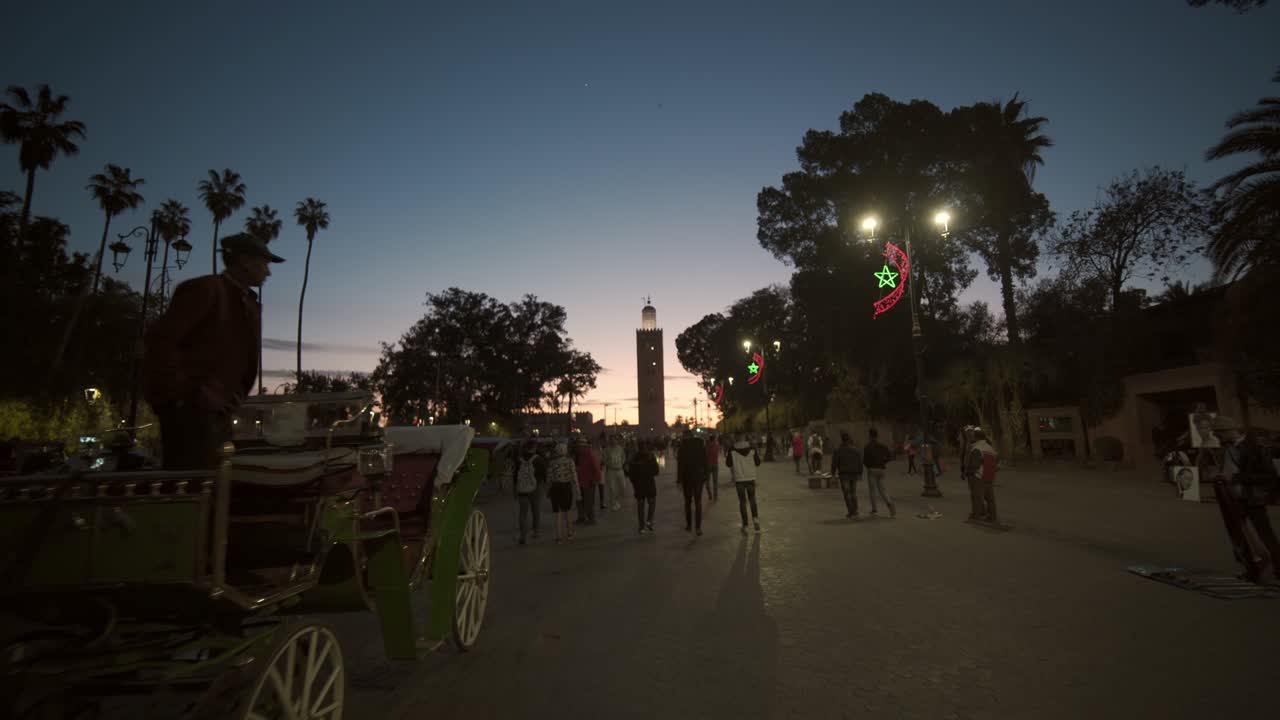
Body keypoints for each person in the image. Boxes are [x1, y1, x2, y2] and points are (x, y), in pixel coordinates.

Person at [144, 233, 284, 470]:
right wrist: (183, 394)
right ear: (245, 261)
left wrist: (233, 396)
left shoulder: (245, 300)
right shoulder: (205, 289)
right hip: (192, 407)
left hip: (219, 407)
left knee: (214, 479)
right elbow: (162, 340)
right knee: (192, 480)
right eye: (264, 264)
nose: (268, 272)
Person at [1210, 415, 1279, 583]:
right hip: (1232, 498)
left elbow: (1268, 475)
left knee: (1264, 535)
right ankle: (1253, 570)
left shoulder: (1255, 447)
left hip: (1253, 497)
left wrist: (1234, 477)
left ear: (1227, 431)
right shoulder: (1227, 448)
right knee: (1242, 537)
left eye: (1219, 435)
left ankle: (1278, 570)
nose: (1217, 438)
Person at [726, 431, 762, 533]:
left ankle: (745, 525)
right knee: (752, 499)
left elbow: (728, 464)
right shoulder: (752, 449)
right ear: (744, 438)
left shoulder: (732, 450)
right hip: (750, 477)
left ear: (736, 438)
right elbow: (758, 463)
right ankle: (755, 519)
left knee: (742, 502)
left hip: (739, 479)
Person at [513, 443, 547, 545]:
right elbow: (544, 474)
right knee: (535, 511)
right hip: (536, 488)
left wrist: (515, 489)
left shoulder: (519, 460)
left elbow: (515, 475)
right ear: (534, 448)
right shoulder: (539, 459)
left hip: (522, 489)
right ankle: (536, 531)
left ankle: (523, 535)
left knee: (523, 513)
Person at [677, 430, 708, 535]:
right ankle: (698, 528)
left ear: (686, 436)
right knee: (698, 502)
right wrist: (706, 476)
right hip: (698, 477)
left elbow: (680, 465)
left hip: (687, 478)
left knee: (688, 502)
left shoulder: (682, 447)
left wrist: (679, 480)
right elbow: (705, 461)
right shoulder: (700, 445)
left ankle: (689, 525)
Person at [964, 428, 999, 524]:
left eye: (972, 436)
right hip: (989, 476)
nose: (971, 438)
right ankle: (992, 517)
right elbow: (996, 462)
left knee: (977, 497)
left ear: (976, 438)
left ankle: (976, 516)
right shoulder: (990, 448)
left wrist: (968, 473)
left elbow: (974, 465)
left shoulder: (977, 448)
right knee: (990, 499)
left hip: (978, 476)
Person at [546, 443, 580, 543]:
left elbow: (549, 478)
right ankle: (569, 533)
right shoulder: (570, 461)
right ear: (565, 451)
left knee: (557, 513)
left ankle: (558, 537)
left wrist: (548, 490)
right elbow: (574, 477)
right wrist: (578, 492)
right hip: (566, 487)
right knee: (568, 511)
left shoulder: (552, 462)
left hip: (555, 488)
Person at [628, 440, 661, 534]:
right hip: (649, 483)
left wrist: (634, 482)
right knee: (652, 502)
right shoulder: (651, 456)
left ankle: (641, 526)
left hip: (638, 485)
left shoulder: (634, 458)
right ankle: (649, 521)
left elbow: (630, 473)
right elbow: (656, 471)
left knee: (641, 505)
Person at [863, 428, 896, 518]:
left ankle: (874, 510)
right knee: (883, 490)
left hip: (872, 469)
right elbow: (890, 456)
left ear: (869, 436)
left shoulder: (867, 447)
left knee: (872, 491)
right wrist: (883, 462)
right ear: (877, 436)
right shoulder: (882, 446)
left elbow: (865, 460)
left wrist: (869, 466)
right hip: (881, 469)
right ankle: (889, 503)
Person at [830, 431, 864, 519]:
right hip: (854, 474)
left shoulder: (838, 451)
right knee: (853, 492)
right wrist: (860, 473)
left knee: (847, 493)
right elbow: (860, 462)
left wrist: (833, 474)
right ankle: (855, 511)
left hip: (844, 474)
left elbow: (834, 463)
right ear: (849, 439)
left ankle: (851, 512)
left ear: (842, 440)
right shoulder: (856, 450)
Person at [574, 440, 602, 525]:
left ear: (584, 447)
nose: (577, 448)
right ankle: (581, 517)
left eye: (579, 447)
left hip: (589, 482)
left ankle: (591, 519)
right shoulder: (580, 456)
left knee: (588, 502)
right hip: (580, 482)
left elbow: (597, 470)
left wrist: (595, 480)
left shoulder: (591, 456)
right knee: (579, 501)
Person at [602, 434, 627, 512]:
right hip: (611, 471)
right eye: (611, 439)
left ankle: (617, 500)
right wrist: (609, 464)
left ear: (617, 440)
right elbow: (604, 460)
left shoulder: (620, 449)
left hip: (619, 470)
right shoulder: (606, 450)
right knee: (612, 488)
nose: (613, 441)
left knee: (622, 487)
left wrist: (621, 464)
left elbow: (623, 457)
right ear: (609, 440)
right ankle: (614, 503)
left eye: (615, 439)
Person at [704, 433, 721, 502]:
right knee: (715, 481)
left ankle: (709, 494)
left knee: (707, 481)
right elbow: (718, 450)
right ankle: (715, 496)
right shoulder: (717, 445)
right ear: (714, 439)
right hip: (715, 465)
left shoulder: (706, 446)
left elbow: (705, 454)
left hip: (708, 465)